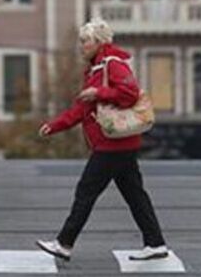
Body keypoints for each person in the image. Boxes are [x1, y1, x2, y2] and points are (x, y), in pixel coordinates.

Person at [34, 19, 168, 262]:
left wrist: (100, 92)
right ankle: (155, 243)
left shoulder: (113, 64)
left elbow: (130, 94)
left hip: (112, 144)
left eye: (85, 41)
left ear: (99, 42)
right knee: (135, 194)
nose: (81, 46)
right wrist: (53, 126)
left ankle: (64, 243)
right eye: (81, 41)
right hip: (118, 143)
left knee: (86, 190)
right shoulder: (96, 70)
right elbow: (80, 110)